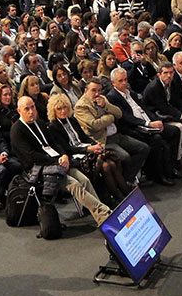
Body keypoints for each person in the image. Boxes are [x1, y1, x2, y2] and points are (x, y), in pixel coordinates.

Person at [9, 94, 113, 224]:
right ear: (19, 111)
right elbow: (31, 156)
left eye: (33, 107)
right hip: (39, 169)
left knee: (84, 180)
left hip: (56, 162)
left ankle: (100, 215)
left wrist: (63, 155)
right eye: (27, 109)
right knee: (74, 185)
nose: (31, 112)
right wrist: (57, 161)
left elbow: (54, 143)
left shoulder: (39, 123)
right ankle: (104, 214)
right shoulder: (16, 130)